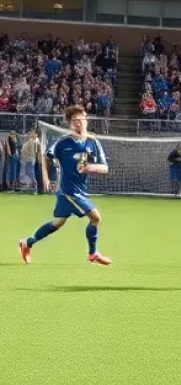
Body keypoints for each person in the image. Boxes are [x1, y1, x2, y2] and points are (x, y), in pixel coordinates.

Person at [18, 105, 112, 266]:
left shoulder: (93, 142)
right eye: (75, 121)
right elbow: (45, 157)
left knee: (58, 222)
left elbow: (105, 168)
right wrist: (46, 179)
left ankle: (27, 242)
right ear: (70, 124)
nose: (79, 123)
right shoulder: (62, 143)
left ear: (86, 121)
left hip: (80, 190)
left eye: (81, 120)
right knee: (96, 217)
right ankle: (92, 253)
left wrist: (90, 167)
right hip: (68, 192)